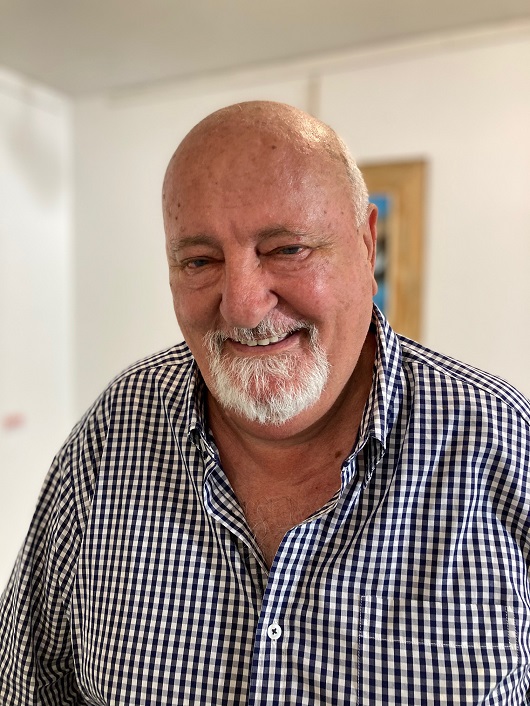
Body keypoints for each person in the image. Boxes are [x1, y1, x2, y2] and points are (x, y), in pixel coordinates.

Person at [1, 101, 529, 705]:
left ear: (366, 244)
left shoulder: (505, 446)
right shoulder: (112, 437)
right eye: (200, 261)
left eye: (287, 249)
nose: (244, 306)